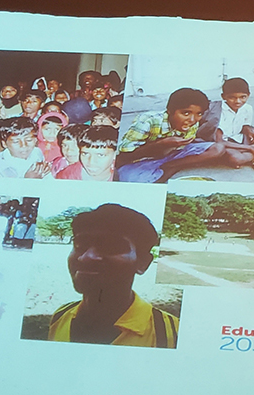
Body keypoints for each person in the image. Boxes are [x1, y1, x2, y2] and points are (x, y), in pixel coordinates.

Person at [48, 204, 178, 348]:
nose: (86, 257)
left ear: (142, 264)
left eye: (110, 246)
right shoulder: (60, 316)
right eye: (80, 244)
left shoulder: (171, 335)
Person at [117, 88, 225, 183]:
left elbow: (184, 147)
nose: (192, 120)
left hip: (173, 155)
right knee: (131, 180)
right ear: (170, 111)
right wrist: (161, 144)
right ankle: (172, 168)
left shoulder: (193, 122)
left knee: (218, 149)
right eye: (186, 113)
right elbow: (123, 157)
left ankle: (172, 166)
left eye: (199, 114)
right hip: (143, 159)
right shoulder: (148, 120)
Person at [198, 77, 254, 167]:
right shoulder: (217, 111)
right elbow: (219, 141)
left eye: (243, 97)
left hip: (239, 140)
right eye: (232, 97)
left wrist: (250, 131)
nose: (238, 101)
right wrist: (251, 148)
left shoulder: (247, 108)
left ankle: (250, 154)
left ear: (248, 95)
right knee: (236, 158)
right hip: (225, 144)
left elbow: (245, 125)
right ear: (223, 96)